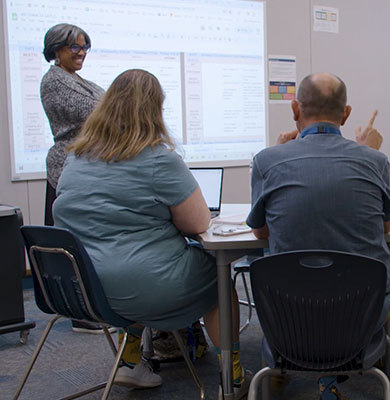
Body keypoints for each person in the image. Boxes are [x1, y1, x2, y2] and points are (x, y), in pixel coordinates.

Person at [53, 69, 250, 395]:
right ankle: (234, 377)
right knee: (217, 275)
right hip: (140, 286)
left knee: (134, 262)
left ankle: (130, 361)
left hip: (81, 286)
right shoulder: (159, 160)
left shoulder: (75, 158)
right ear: (154, 110)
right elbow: (199, 224)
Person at [246, 72, 390, 399]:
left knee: (262, 260)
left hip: (290, 318)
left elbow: (260, 231)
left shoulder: (267, 161)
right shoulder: (375, 160)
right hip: (358, 317)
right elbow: (386, 227)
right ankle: (334, 379)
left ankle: (277, 366)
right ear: (345, 114)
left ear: (294, 109)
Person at [40, 23, 106, 334]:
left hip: (87, 167)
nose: (81, 53)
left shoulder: (78, 79)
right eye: (74, 48)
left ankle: (93, 307)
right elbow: (96, 111)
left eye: (84, 47)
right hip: (67, 169)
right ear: (56, 50)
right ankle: (82, 313)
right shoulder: (55, 81)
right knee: (75, 244)